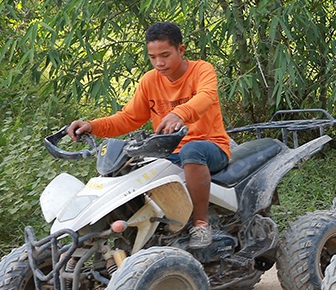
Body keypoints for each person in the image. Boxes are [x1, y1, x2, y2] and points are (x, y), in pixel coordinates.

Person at [67, 22, 232, 249]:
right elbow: (128, 118)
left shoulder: (202, 70)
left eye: (165, 55)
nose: (159, 63)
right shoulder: (149, 81)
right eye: (152, 57)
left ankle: (201, 224)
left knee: (191, 151)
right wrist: (92, 125)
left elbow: (206, 97)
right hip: (167, 153)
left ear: (181, 50)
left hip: (209, 147)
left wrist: (179, 114)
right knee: (129, 168)